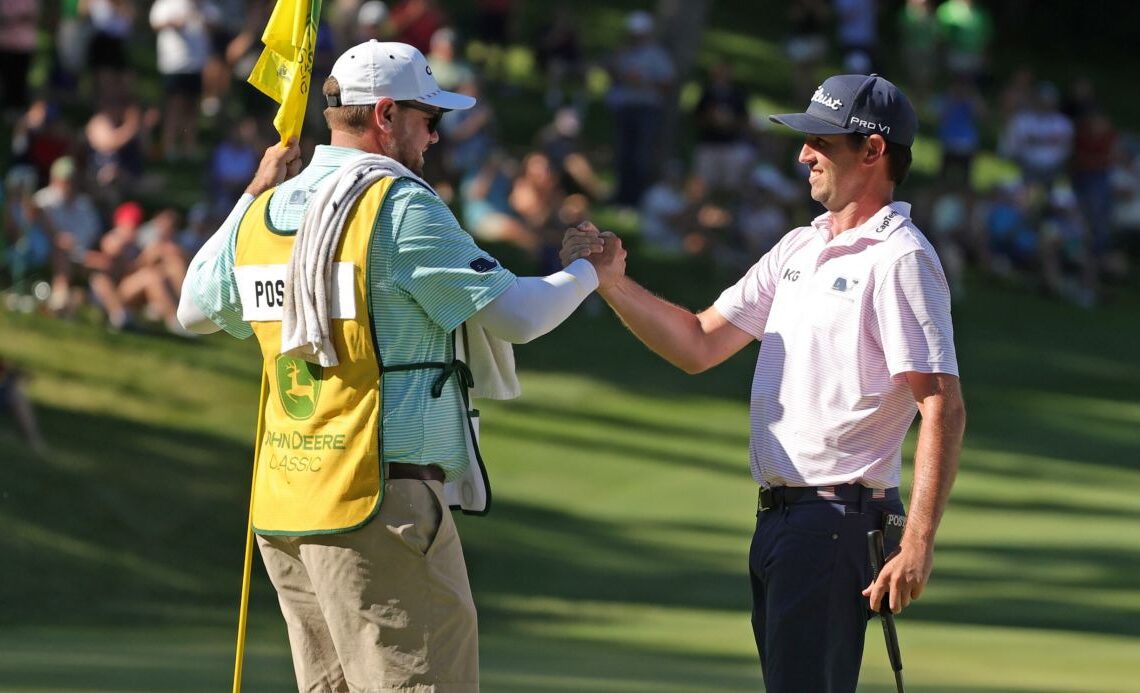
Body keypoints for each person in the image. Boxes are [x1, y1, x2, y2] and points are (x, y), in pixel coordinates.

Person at [177, 40, 604, 692]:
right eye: (429, 118)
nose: (436, 136)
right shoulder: (397, 204)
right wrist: (587, 272)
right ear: (385, 115)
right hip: (378, 500)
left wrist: (252, 192)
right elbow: (517, 314)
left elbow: (193, 307)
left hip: (286, 507)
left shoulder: (267, 210)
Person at [564, 74, 966, 692]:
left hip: (837, 520)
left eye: (820, 141)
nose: (803, 154)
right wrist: (612, 283)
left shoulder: (899, 258)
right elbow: (699, 342)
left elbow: (941, 405)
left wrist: (918, 542)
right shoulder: (799, 248)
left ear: (873, 151)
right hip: (783, 521)